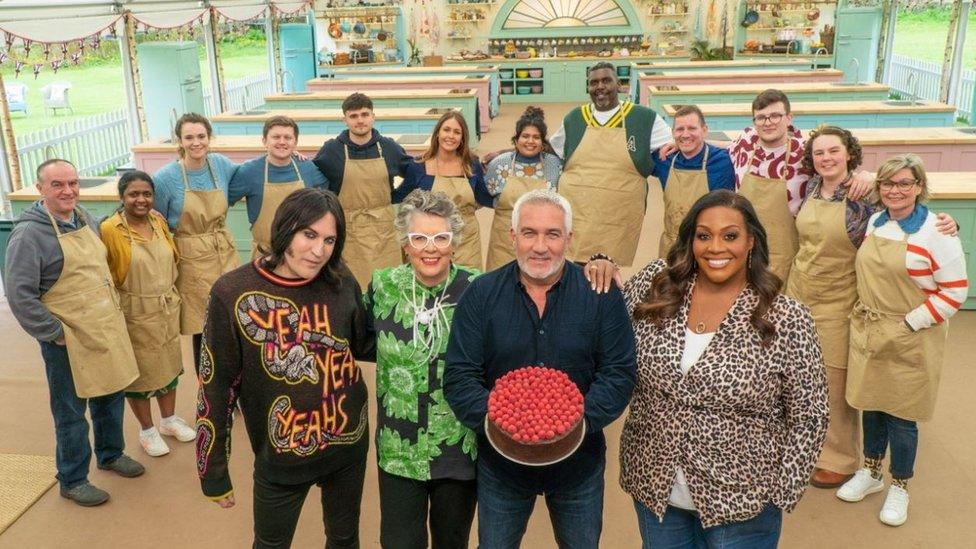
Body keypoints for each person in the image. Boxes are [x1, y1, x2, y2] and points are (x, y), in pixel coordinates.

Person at [614, 189, 828, 548]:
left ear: (750, 242)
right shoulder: (657, 286)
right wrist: (598, 264)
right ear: (690, 241)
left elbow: (810, 415)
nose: (716, 247)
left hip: (743, 503)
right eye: (704, 235)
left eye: (730, 236)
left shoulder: (786, 317)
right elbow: (602, 330)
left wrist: (781, 492)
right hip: (655, 487)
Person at [444, 189, 637, 549]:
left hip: (578, 466)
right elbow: (460, 375)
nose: (540, 246)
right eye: (529, 233)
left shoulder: (601, 294)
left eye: (553, 234)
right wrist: (505, 425)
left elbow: (619, 371)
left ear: (569, 238)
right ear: (513, 237)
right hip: (502, 467)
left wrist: (572, 425)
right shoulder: (481, 294)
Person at [196, 188, 375, 548]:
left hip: (347, 444)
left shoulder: (340, 280)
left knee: (344, 540)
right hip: (280, 457)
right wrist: (212, 471)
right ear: (284, 229)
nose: (318, 250)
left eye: (329, 240)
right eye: (308, 234)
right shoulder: (232, 293)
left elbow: (365, 343)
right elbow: (216, 386)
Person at [785, 127, 958, 489]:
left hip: (841, 297)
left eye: (834, 151)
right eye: (819, 153)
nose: (826, 158)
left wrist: (947, 222)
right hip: (801, 290)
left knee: (834, 381)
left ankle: (841, 457)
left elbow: (907, 210)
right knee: (800, 376)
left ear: (850, 154)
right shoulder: (810, 187)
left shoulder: (867, 194)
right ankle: (806, 446)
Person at [5, 159, 145, 506]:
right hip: (67, 339)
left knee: (110, 394)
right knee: (70, 410)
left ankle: (111, 454)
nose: (68, 191)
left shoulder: (82, 218)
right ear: (40, 189)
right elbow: (20, 295)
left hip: (103, 327)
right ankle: (72, 478)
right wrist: (54, 333)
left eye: (72, 183)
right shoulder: (29, 234)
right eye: (57, 185)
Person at [838, 154, 967, 527]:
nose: (896, 191)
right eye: (888, 184)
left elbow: (955, 291)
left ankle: (900, 485)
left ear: (919, 187)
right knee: (872, 404)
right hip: (870, 327)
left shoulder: (936, 231)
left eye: (904, 183)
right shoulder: (876, 222)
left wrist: (910, 323)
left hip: (912, 333)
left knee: (902, 414)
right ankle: (872, 472)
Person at [365, 190, 479, 549]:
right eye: (419, 238)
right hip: (399, 447)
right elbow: (360, 339)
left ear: (454, 242)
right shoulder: (382, 286)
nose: (430, 249)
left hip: (458, 446)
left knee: (452, 542)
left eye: (440, 238)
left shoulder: (478, 288)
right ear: (405, 242)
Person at [728, 89, 872, 282]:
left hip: (785, 258)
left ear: (789, 118)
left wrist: (866, 176)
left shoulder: (805, 150)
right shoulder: (746, 141)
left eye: (775, 116)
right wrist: (686, 143)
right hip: (743, 253)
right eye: (761, 117)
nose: (768, 122)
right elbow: (723, 147)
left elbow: (833, 165)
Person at [100, 171, 197, 457]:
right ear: (122, 197)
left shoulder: (158, 222)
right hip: (135, 310)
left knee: (168, 367)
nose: (140, 200)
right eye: (133, 194)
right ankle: (147, 430)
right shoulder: (110, 230)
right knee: (141, 375)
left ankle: (168, 421)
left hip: (165, 307)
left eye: (146, 194)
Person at [550, 61, 671, 266]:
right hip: (579, 211)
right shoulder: (575, 118)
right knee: (573, 271)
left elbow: (677, 145)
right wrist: (506, 151)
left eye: (606, 80)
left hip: (618, 217)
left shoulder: (645, 119)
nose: (600, 87)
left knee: (608, 276)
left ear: (620, 84)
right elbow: (551, 150)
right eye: (593, 82)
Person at [153, 113, 239, 370]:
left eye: (201, 136)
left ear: (209, 138)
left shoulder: (221, 165)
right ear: (179, 141)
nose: (196, 142)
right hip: (191, 258)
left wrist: (293, 158)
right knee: (204, 327)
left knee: (232, 323)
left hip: (224, 252)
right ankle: (209, 394)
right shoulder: (166, 178)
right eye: (189, 137)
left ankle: (234, 390)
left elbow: (251, 175)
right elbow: (156, 222)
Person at [313, 92, 413, 289]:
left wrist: (395, 197)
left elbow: (414, 173)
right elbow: (312, 176)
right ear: (345, 120)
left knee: (388, 287)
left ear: (373, 117)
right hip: (349, 233)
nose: (360, 120)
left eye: (365, 114)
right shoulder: (332, 150)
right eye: (354, 116)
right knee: (349, 288)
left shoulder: (389, 148)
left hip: (384, 231)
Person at [396, 111, 491, 271]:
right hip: (431, 240)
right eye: (446, 130)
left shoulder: (472, 165)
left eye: (457, 132)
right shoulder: (419, 166)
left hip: (466, 239)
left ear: (462, 138)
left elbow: (483, 197)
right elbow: (402, 199)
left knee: (467, 284)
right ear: (438, 134)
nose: (451, 136)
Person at [229, 115, 329, 259]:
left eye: (288, 138)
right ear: (264, 141)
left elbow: (329, 192)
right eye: (276, 137)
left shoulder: (307, 168)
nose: (282, 142)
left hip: (303, 257)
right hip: (265, 257)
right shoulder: (249, 172)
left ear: (295, 142)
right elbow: (222, 200)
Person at [484, 106, 562, 271]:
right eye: (525, 136)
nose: (530, 141)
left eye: (536, 137)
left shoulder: (553, 165)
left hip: (541, 243)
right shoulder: (499, 164)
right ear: (516, 139)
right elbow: (485, 196)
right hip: (503, 242)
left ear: (543, 142)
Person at [653, 104, 735, 257]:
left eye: (692, 128)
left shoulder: (723, 160)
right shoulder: (664, 159)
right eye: (679, 129)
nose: (685, 134)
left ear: (704, 130)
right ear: (673, 133)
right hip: (672, 248)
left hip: (708, 248)